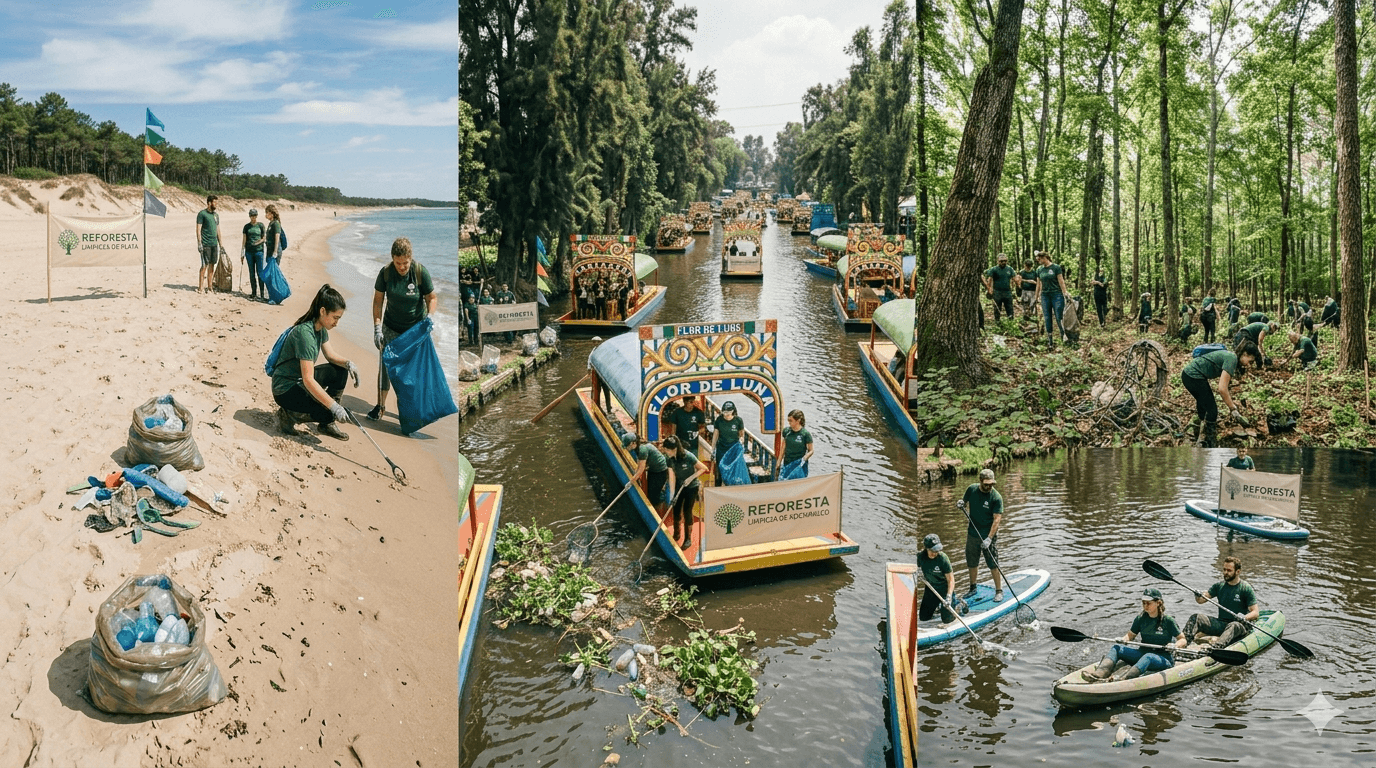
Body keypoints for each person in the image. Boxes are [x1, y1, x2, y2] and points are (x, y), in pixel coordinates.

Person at [272, 285, 361, 441]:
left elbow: (331, 355)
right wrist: (334, 407)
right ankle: (289, 415)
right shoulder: (304, 334)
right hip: (285, 389)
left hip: (299, 381)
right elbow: (308, 380)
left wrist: (348, 364)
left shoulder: (320, 328)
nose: (336, 323)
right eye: (335, 318)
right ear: (322, 311)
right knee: (326, 411)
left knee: (340, 371)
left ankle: (327, 424)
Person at [369, 237, 437, 422]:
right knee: (386, 367)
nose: (401, 267)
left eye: (405, 263)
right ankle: (380, 406)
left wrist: (430, 317)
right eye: (398, 263)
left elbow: (432, 298)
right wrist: (377, 327)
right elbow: (377, 301)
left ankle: (410, 411)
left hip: (415, 330)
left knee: (412, 372)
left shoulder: (420, 272)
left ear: (410, 258)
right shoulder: (385, 273)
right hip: (391, 327)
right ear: (392, 259)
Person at [1083, 588, 1187, 682]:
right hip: (1143, 653)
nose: (1145, 606)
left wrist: (1175, 645)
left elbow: (1183, 640)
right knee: (1117, 648)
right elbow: (1130, 636)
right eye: (1143, 603)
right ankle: (1099, 674)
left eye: (1148, 603)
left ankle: (1123, 680)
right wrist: (1124, 639)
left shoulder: (1168, 621)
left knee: (1148, 657)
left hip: (1164, 658)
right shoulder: (1140, 619)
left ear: (1158, 603)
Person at [1180, 341, 1259, 445]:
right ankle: (1210, 442)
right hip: (1193, 376)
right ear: (1245, 354)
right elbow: (1222, 388)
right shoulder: (1232, 359)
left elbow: (1226, 385)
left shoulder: (1231, 357)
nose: (1249, 365)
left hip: (1189, 375)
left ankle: (1198, 434)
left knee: (1204, 405)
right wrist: (1233, 409)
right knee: (1212, 410)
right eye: (1251, 361)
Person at [1184, 556, 1259, 649]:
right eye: (1224, 570)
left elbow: (1255, 613)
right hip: (1222, 624)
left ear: (1238, 571)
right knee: (1197, 617)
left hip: (1240, 626)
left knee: (1233, 625)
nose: (1225, 573)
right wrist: (1197, 595)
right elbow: (1201, 600)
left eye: (1229, 570)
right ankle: (1183, 642)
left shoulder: (1246, 588)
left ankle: (1216, 649)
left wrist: (1244, 617)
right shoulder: (1219, 586)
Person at [957, 468, 1004, 602]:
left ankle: (999, 591)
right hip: (972, 533)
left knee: (993, 563)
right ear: (980, 481)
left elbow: (997, 520)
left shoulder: (996, 498)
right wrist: (961, 504)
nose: (989, 487)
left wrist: (989, 538)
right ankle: (973, 588)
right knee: (972, 562)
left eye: (991, 484)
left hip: (988, 535)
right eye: (986, 484)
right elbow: (963, 502)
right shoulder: (971, 489)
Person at [663, 435, 708, 550]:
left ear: (674, 449)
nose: (666, 452)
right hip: (679, 486)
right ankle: (677, 534)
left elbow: (703, 468)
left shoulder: (688, 456)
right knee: (676, 510)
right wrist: (672, 494)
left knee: (687, 511)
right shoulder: (669, 459)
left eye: (667, 450)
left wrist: (691, 478)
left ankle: (688, 539)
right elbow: (671, 477)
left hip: (691, 487)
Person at [623, 433, 668, 517]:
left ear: (633, 443)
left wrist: (631, 481)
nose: (626, 448)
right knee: (650, 492)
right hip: (652, 469)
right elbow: (639, 465)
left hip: (660, 472)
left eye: (627, 445)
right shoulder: (638, 448)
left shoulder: (642, 450)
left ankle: (659, 515)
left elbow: (641, 469)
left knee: (654, 495)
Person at [1031, 251, 1069, 348]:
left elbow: (1061, 281)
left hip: (1056, 294)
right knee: (1047, 317)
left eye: (1039, 259)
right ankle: (1050, 340)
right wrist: (1036, 297)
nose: (1038, 261)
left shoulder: (1056, 267)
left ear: (1044, 258)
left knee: (1058, 316)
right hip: (1045, 295)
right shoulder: (1039, 270)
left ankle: (1064, 336)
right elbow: (1038, 284)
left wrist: (1065, 293)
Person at [917, 534, 956, 626]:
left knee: (947, 620)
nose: (935, 553)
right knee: (923, 617)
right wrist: (917, 572)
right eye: (933, 550)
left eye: (937, 550)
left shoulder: (943, 558)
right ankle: (937, 607)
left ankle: (958, 605)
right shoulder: (920, 557)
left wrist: (949, 596)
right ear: (926, 548)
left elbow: (951, 579)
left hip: (944, 589)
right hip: (931, 588)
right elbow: (915, 567)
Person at [709, 401, 746, 486]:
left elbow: (741, 435)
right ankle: (718, 488)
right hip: (721, 449)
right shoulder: (719, 420)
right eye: (724, 412)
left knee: (732, 472)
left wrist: (741, 441)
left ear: (733, 411)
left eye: (728, 412)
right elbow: (715, 436)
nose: (726, 414)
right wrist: (713, 449)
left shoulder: (738, 420)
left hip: (733, 450)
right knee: (719, 471)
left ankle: (730, 488)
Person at [195, 195, 222, 294]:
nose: (216, 204)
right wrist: (199, 243)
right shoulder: (202, 214)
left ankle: (210, 287)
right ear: (209, 203)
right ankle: (200, 287)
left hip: (214, 244)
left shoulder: (216, 215)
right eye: (214, 202)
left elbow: (218, 229)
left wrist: (221, 244)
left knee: (212, 265)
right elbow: (198, 229)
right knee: (204, 265)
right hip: (205, 244)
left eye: (216, 202)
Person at [241, 208, 267, 301]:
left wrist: (258, 242)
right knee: (252, 273)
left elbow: (264, 238)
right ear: (249, 216)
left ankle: (262, 294)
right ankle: (254, 293)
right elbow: (244, 239)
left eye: (255, 216)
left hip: (259, 252)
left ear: (257, 216)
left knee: (260, 272)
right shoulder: (246, 227)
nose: (253, 217)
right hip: (249, 252)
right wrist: (242, 252)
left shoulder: (261, 225)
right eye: (252, 216)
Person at [780, 409, 814, 479]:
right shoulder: (786, 431)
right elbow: (783, 448)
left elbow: (811, 450)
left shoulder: (805, 434)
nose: (789, 423)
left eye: (791, 421)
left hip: (799, 465)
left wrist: (805, 458)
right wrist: (778, 462)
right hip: (787, 462)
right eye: (788, 420)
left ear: (798, 421)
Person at [983, 253, 1017, 322]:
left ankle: (1011, 322)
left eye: (1005, 261)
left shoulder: (1010, 269)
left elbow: (1014, 278)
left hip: (1007, 292)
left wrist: (1015, 286)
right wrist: (989, 289)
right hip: (997, 292)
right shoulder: (994, 269)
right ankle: (997, 322)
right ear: (998, 261)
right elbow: (990, 280)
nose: (1003, 262)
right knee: (997, 308)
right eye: (1001, 261)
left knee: (1009, 308)